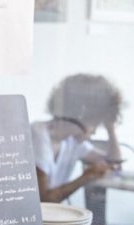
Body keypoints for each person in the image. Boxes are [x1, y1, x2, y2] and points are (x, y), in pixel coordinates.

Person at [32, 74, 124, 203]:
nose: (95, 131)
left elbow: (114, 164)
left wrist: (111, 128)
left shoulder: (72, 140)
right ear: (80, 115)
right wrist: (86, 177)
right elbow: (45, 200)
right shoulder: (39, 137)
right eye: (95, 123)